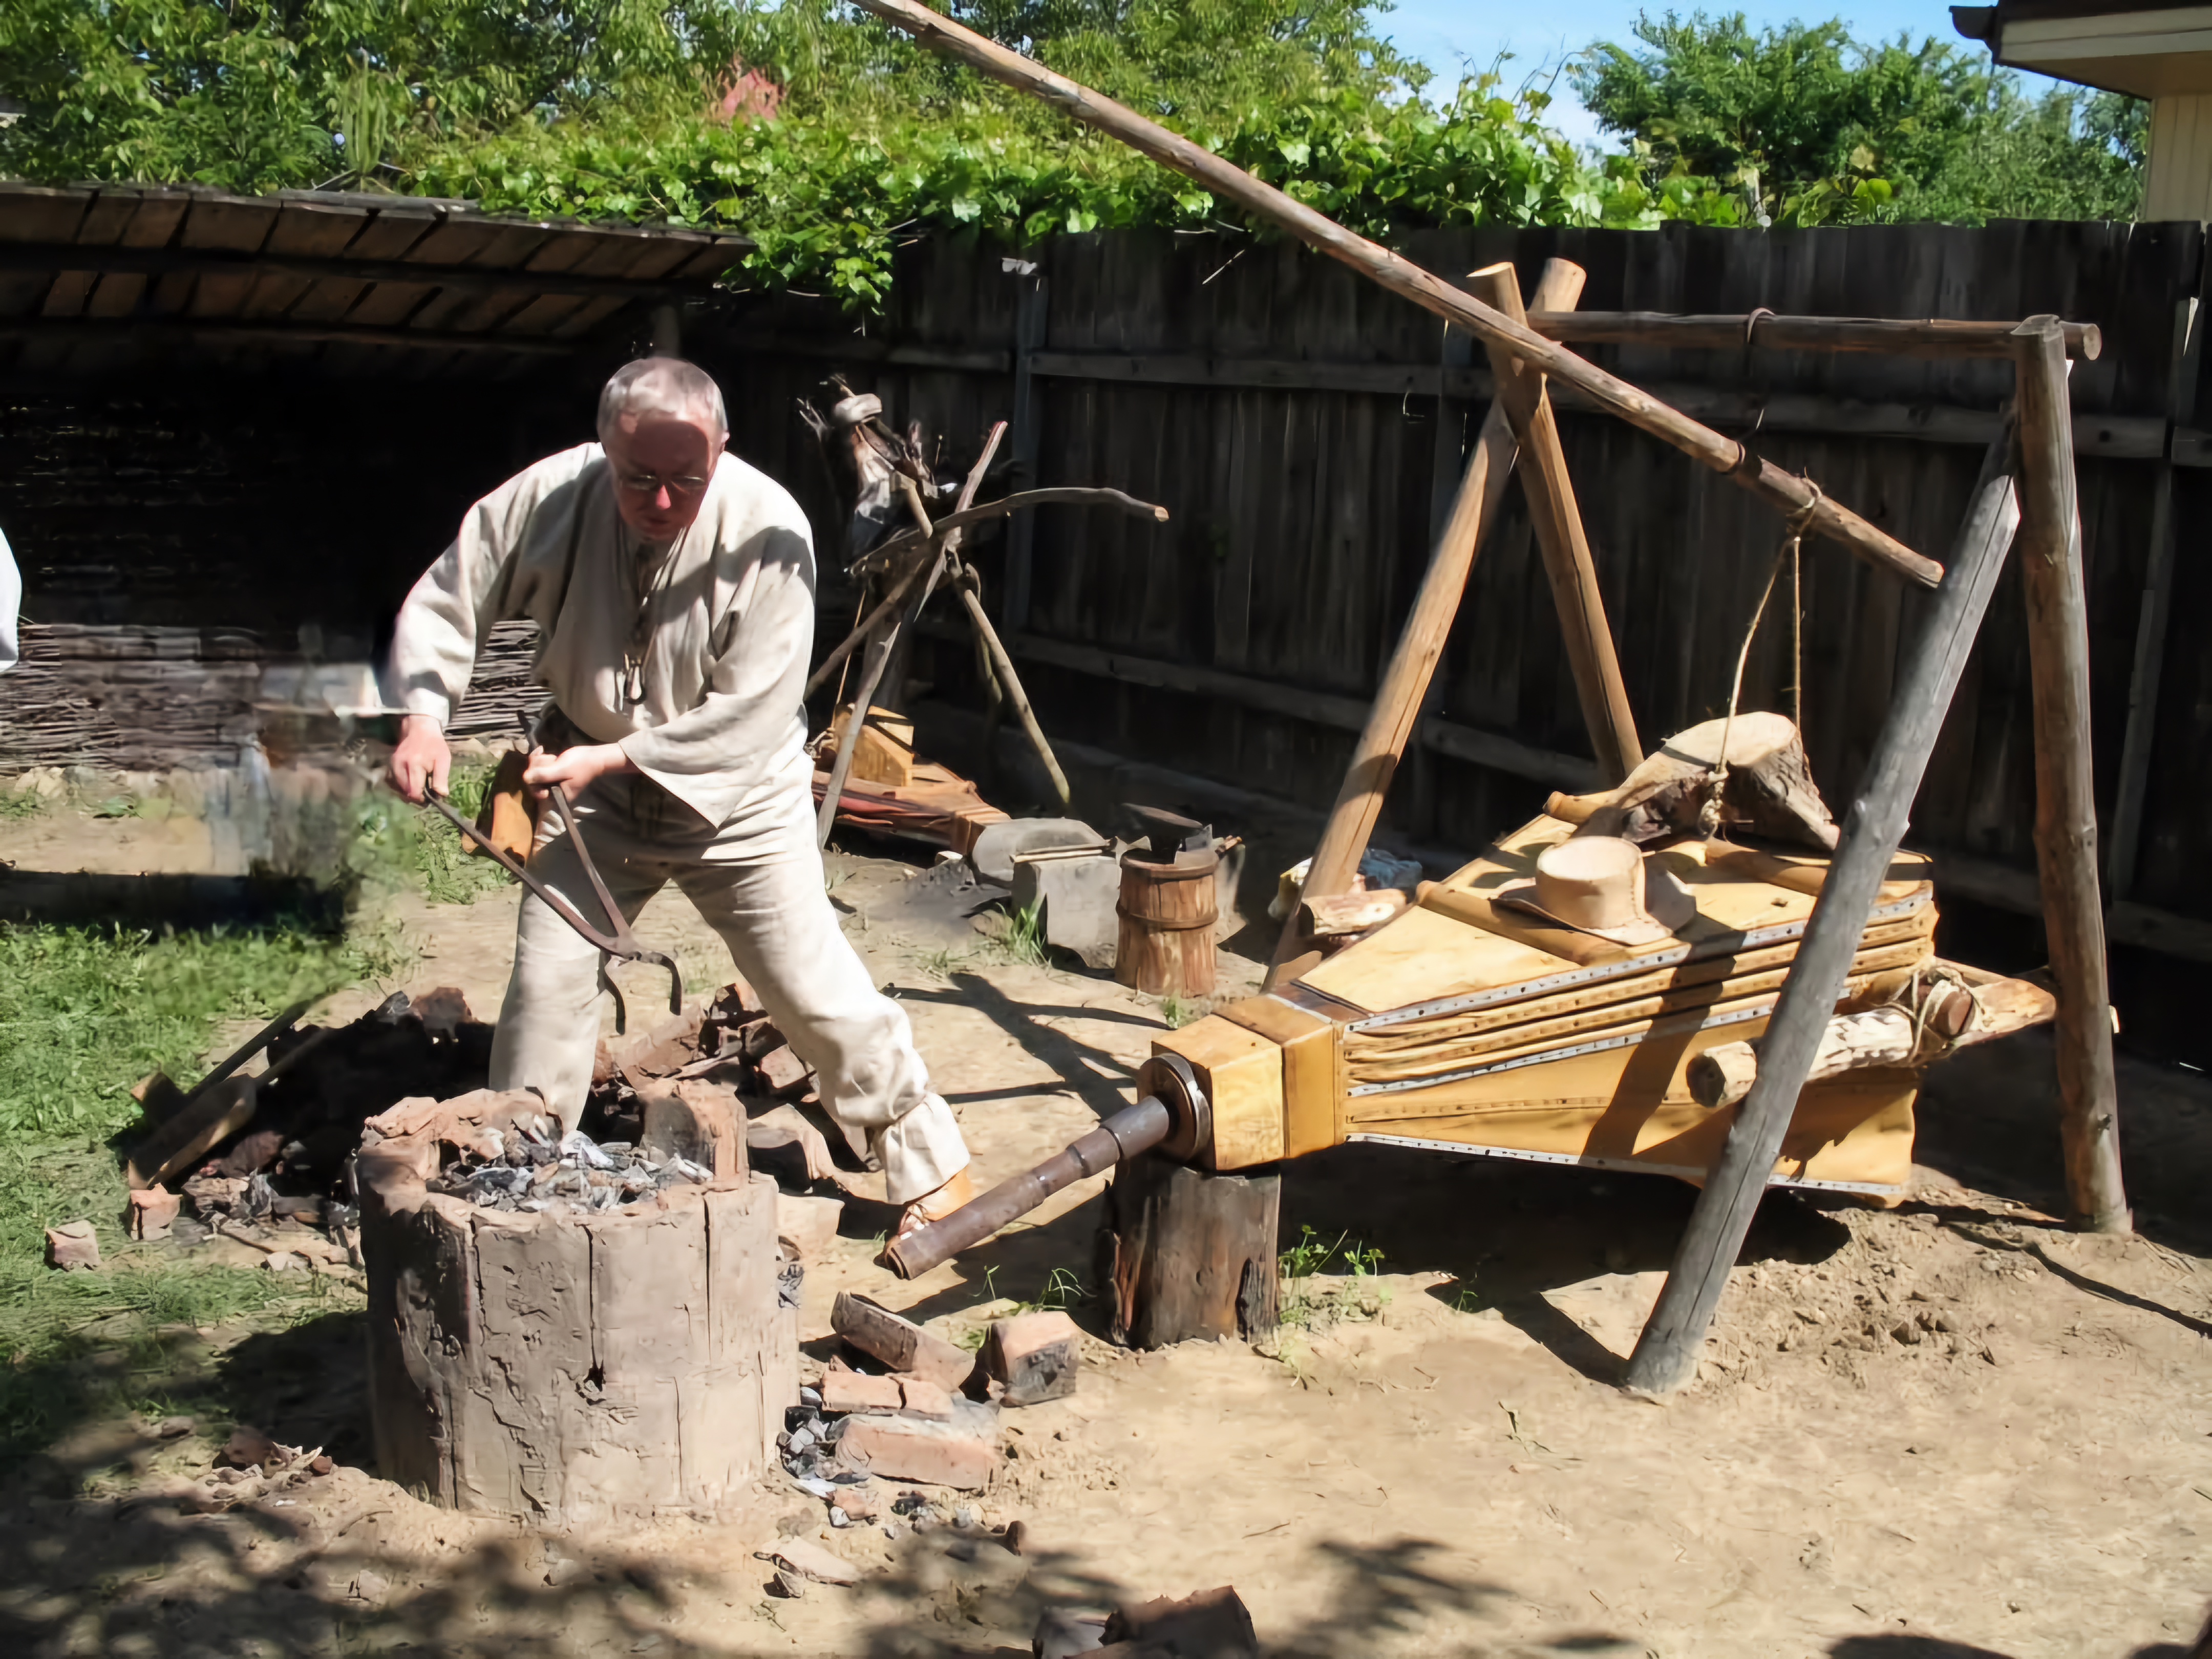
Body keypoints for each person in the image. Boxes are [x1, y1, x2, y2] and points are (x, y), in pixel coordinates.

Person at [384, 357, 974, 1231]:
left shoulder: (770, 530)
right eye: (639, 478)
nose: (661, 501)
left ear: (722, 449)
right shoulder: (551, 498)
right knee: (546, 989)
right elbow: (450, 597)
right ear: (603, 446)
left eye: (685, 480)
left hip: (740, 798)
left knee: (812, 987)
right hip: (587, 787)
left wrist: (615, 762)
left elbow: (752, 713)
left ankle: (929, 1166)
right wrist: (424, 717)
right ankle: (522, 1185)